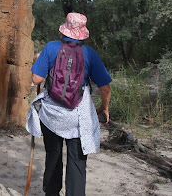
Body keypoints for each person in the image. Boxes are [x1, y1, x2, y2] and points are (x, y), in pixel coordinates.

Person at [26, 12, 112, 196]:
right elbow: (105, 88)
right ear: (83, 32)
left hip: (52, 116)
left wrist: (38, 61)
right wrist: (104, 107)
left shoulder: (50, 48)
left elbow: (36, 79)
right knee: (77, 162)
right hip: (77, 117)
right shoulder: (89, 53)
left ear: (65, 28)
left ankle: (51, 193)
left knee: (53, 157)